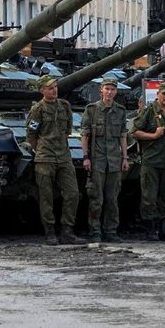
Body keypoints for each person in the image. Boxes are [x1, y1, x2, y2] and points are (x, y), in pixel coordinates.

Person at [26, 75, 86, 246]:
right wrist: (42, 150)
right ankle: (50, 232)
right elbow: (31, 134)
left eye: (55, 87)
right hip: (45, 157)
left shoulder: (65, 106)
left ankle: (67, 231)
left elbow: (67, 130)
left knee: (72, 193)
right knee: (46, 196)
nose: (54, 90)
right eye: (50, 87)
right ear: (42, 90)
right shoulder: (38, 109)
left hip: (64, 156)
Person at [131, 82, 165, 241]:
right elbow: (134, 132)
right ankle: (150, 229)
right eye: (164, 94)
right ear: (158, 94)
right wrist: (153, 136)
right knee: (149, 196)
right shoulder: (149, 110)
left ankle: (164, 228)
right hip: (152, 161)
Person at [81, 77, 130, 243]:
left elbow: (123, 135)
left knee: (112, 199)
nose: (109, 92)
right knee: (96, 198)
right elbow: (85, 134)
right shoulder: (92, 109)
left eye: (112, 89)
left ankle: (110, 230)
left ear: (116, 91)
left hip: (115, 160)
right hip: (97, 159)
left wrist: (125, 157)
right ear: (101, 90)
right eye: (107, 89)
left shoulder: (121, 111)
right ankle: (95, 231)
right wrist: (86, 157)